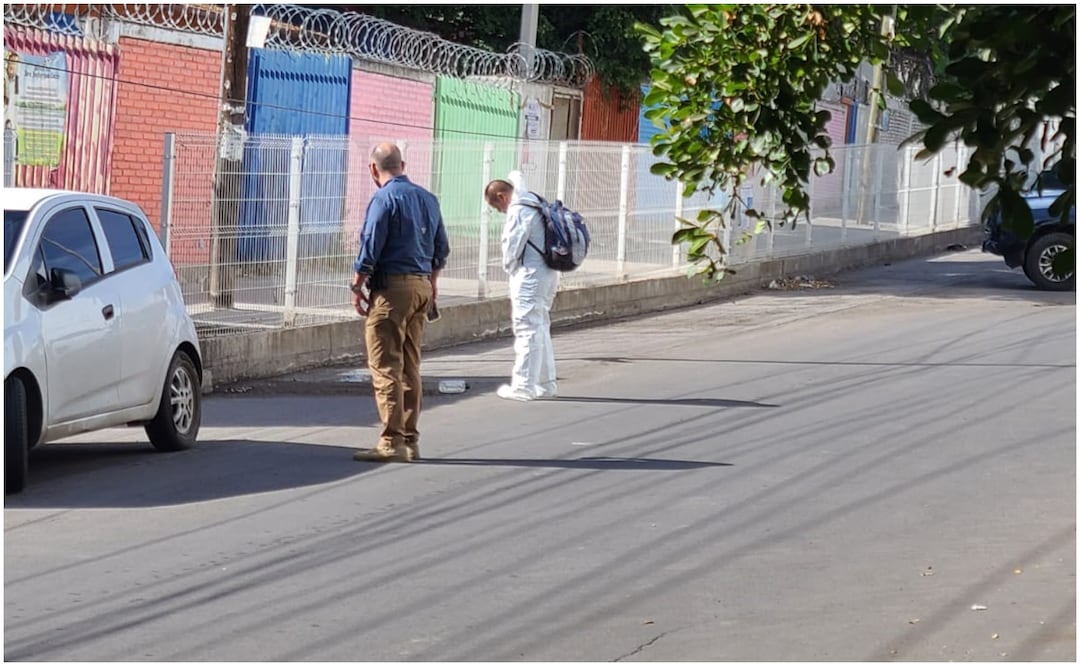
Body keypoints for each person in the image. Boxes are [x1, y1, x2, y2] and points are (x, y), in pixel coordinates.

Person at [351, 143, 449, 462]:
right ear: (403, 164)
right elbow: (441, 249)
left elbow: (371, 245)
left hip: (391, 289)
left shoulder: (383, 199)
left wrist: (357, 284)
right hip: (421, 288)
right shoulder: (428, 199)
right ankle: (410, 439)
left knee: (385, 364)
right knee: (410, 364)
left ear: (373, 169)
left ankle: (391, 442)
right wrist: (431, 284)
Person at [484, 172, 559, 401]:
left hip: (529, 276)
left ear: (502, 196)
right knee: (540, 326)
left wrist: (509, 268)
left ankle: (523, 386)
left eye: (497, 207)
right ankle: (545, 385)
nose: (500, 212)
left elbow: (511, 250)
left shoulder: (519, 209)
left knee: (526, 328)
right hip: (547, 272)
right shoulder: (534, 202)